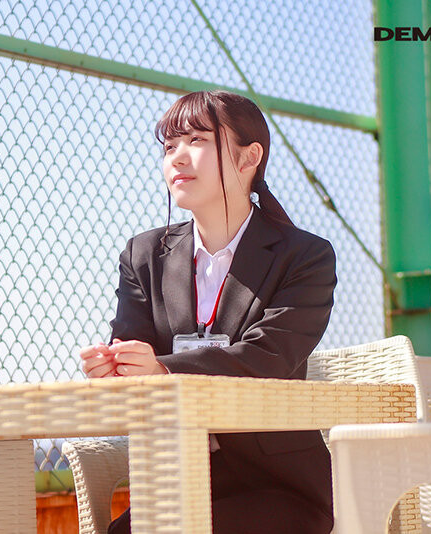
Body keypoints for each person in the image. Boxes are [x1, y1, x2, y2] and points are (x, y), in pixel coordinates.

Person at [78, 90, 337, 534]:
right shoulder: (144, 255)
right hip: (175, 479)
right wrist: (116, 368)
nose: (177, 157)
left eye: (196, 140)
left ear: (248, 158)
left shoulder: (304, 256)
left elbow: (268, 357)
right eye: (169, 146)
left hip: (278, 487)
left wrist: (162, 369)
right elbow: (133, 346)